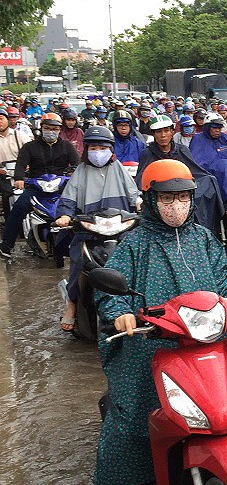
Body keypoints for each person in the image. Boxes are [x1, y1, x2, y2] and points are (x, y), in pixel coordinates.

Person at [92, 159, 227, 485]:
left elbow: (225, 277)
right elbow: (110, 289)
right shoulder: (134, 244)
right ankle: (111, 483)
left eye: (183, 197)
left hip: (206, 338)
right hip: (152, 340)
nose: (177, 205)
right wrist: (120, 313)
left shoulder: (203, 238)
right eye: (168, 198)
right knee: (133, 406)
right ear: (151, 200)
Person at [54, 126, 139, 332]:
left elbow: (134, 194)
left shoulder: (118, 168)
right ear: (86, 150)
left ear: (111, 150)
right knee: (78, 261)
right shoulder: (80, 171)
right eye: (93, 148)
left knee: (136, 260)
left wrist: (140, 203)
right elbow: (68, 198)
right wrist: (65, 215)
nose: (98, 152)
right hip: (88, 230)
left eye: (103, 148)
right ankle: (72, 304)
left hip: (119, 229)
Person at [0, 113, 80, 259]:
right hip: (36, 187)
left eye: (54, 129)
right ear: (41, 128)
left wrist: (74, 174)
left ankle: (84, 244)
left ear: (59, 130)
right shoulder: (29, 147)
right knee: (17, 209)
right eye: (47, 128)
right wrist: (19, 178)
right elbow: (21, 164)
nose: (51, 131)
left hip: (61, 187)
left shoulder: (67, 146)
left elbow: (77, 164)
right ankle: (6, 245)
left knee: (79, 208)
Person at [135, 115, 224, 232]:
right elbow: (142, 179)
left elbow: (195, 171)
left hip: (184, 191)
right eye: (158, 132)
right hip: (160, 195)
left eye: (166, 131)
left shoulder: (182, 150)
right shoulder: (147, 154)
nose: (163, 135)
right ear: (153, 134)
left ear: (172, 132)